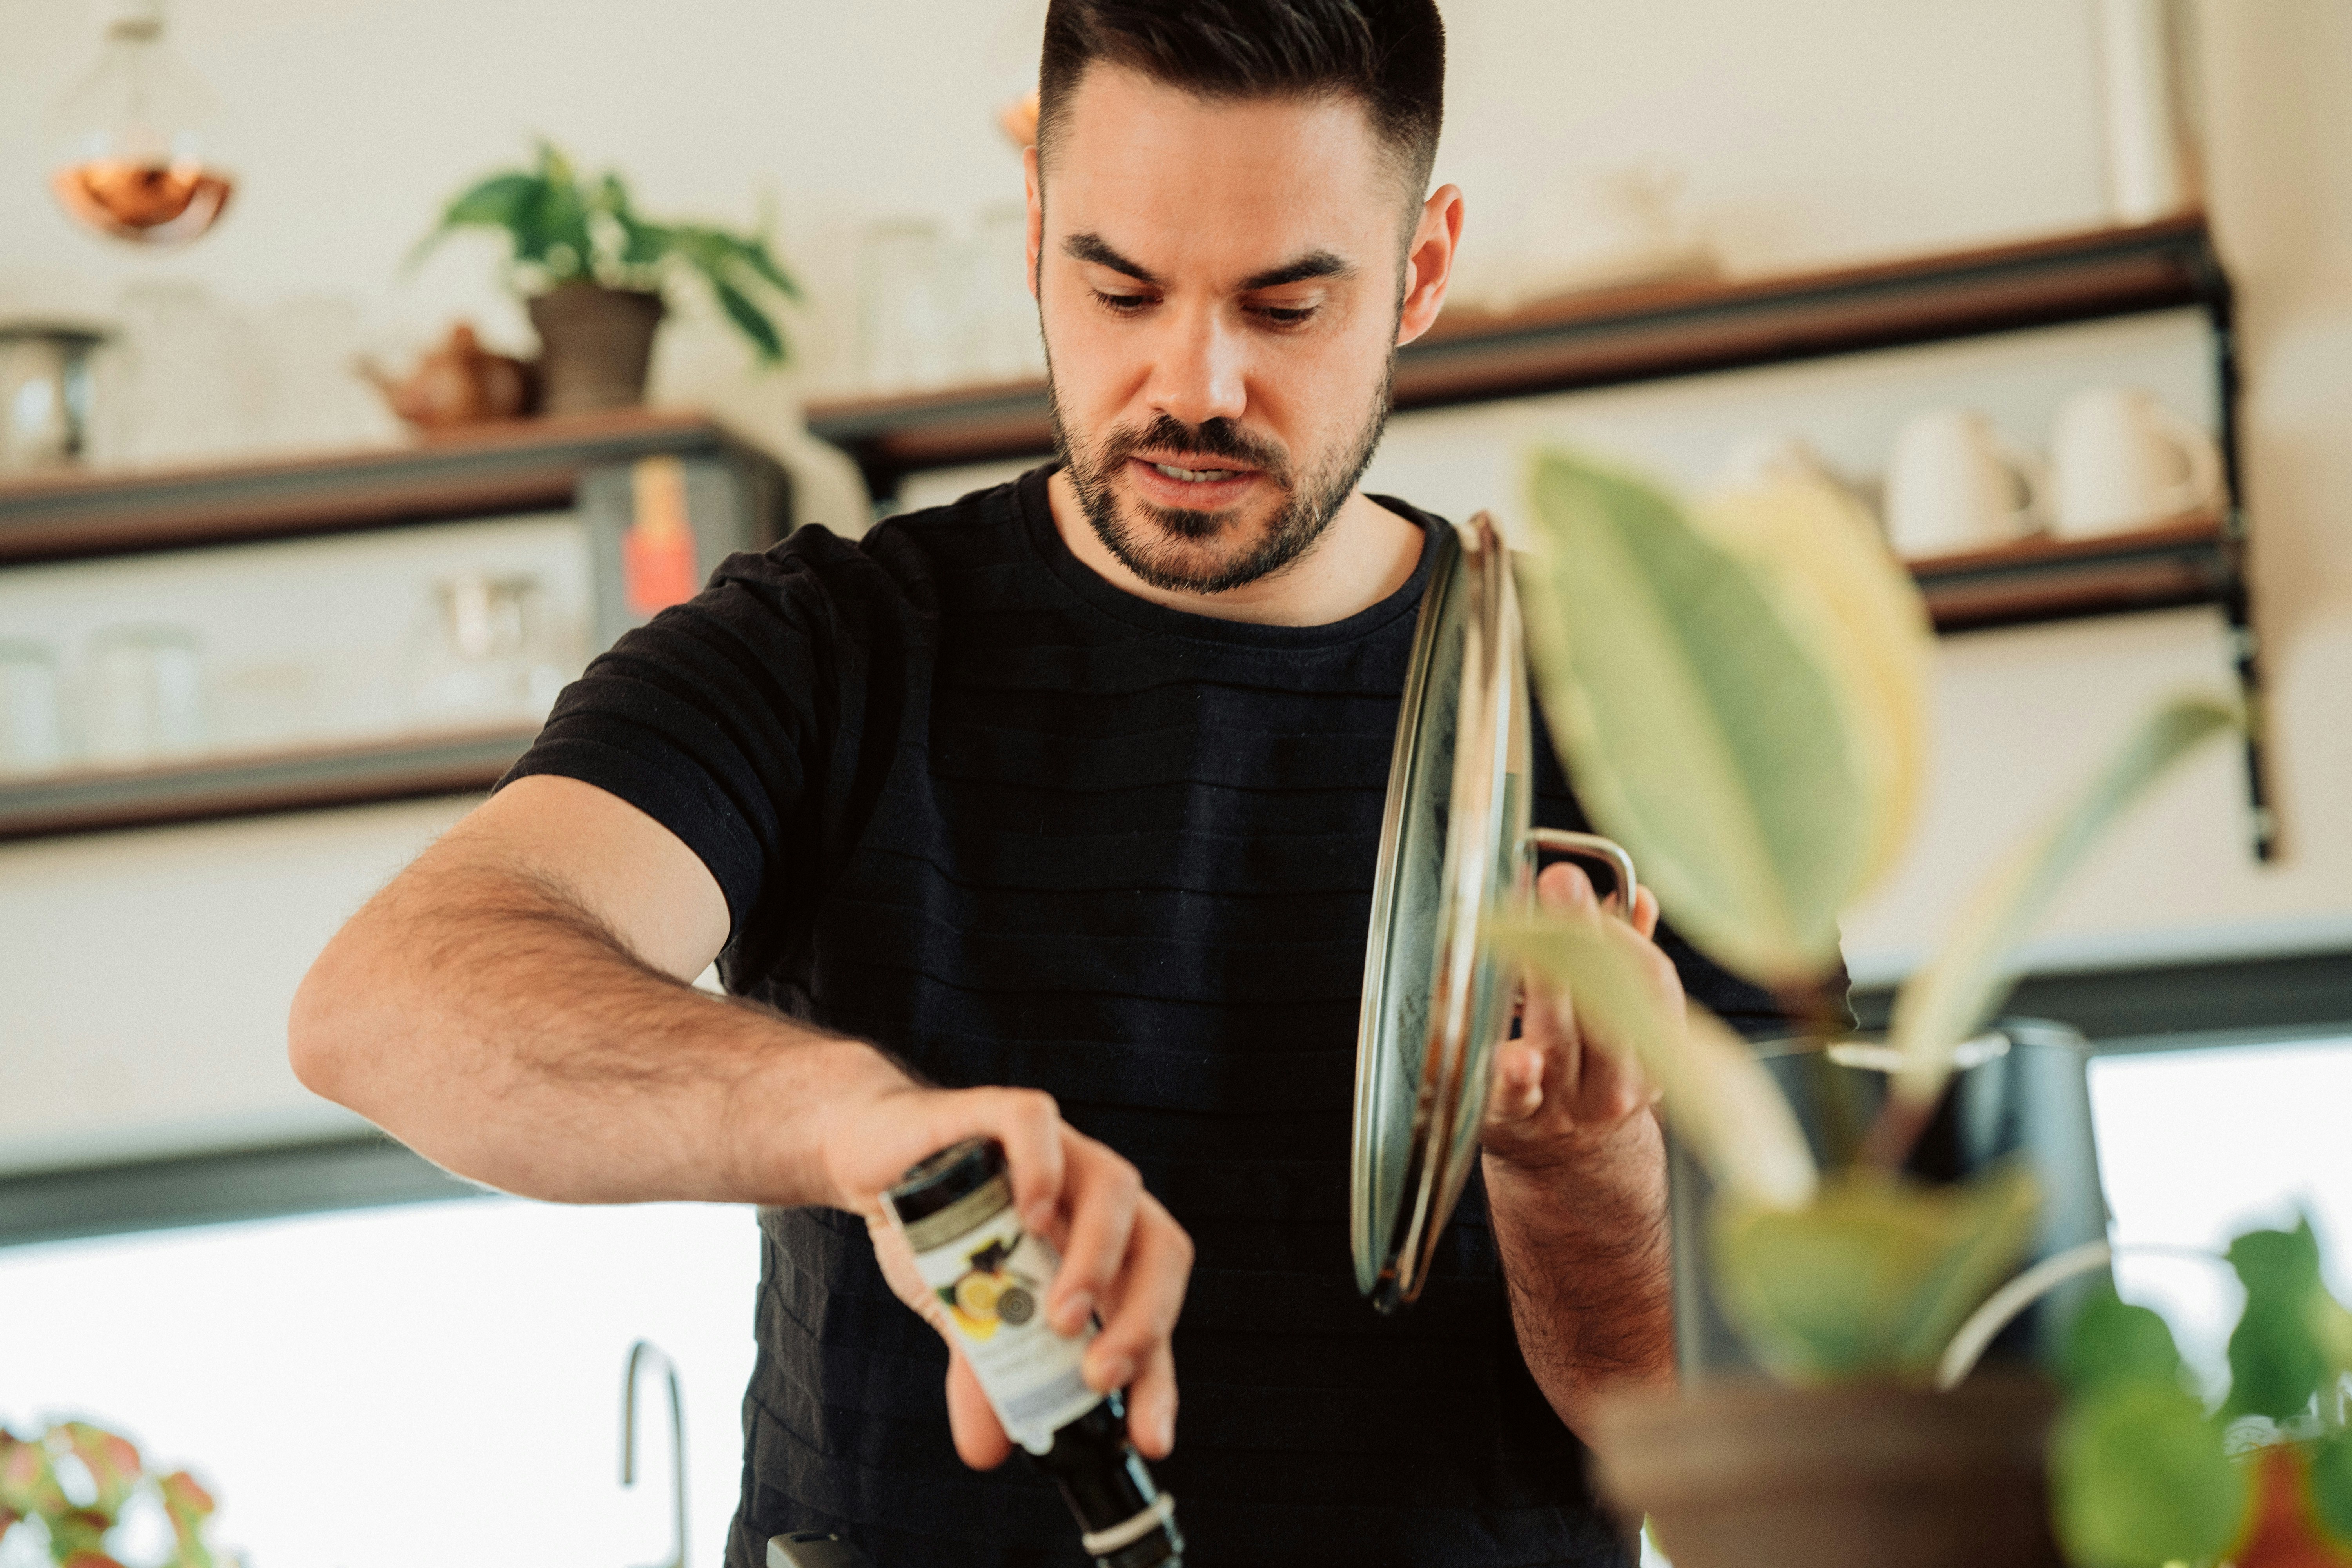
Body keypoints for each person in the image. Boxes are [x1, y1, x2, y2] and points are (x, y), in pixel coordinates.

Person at [290, 2, 1821, 1563]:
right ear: (1034, 237)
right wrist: (854, 1121)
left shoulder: (1660, 725)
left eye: (1287, 304)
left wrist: (1578, 1180)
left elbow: (1784, 1481)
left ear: (1421, 271)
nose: (1196, 382)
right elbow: (384, 1004)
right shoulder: (822, 647)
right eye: (1122, 287)